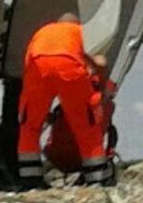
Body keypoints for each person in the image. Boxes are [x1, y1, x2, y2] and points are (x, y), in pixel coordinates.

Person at [15, 13, 112, 190]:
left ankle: (30, 179)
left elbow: (29, 62)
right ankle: (97, 178)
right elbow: (101, 63)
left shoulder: (42, 32)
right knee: (86, 124)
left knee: (29, 125)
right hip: (69, 67)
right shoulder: (82, 32)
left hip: (36, 67)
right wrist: (101, 85)